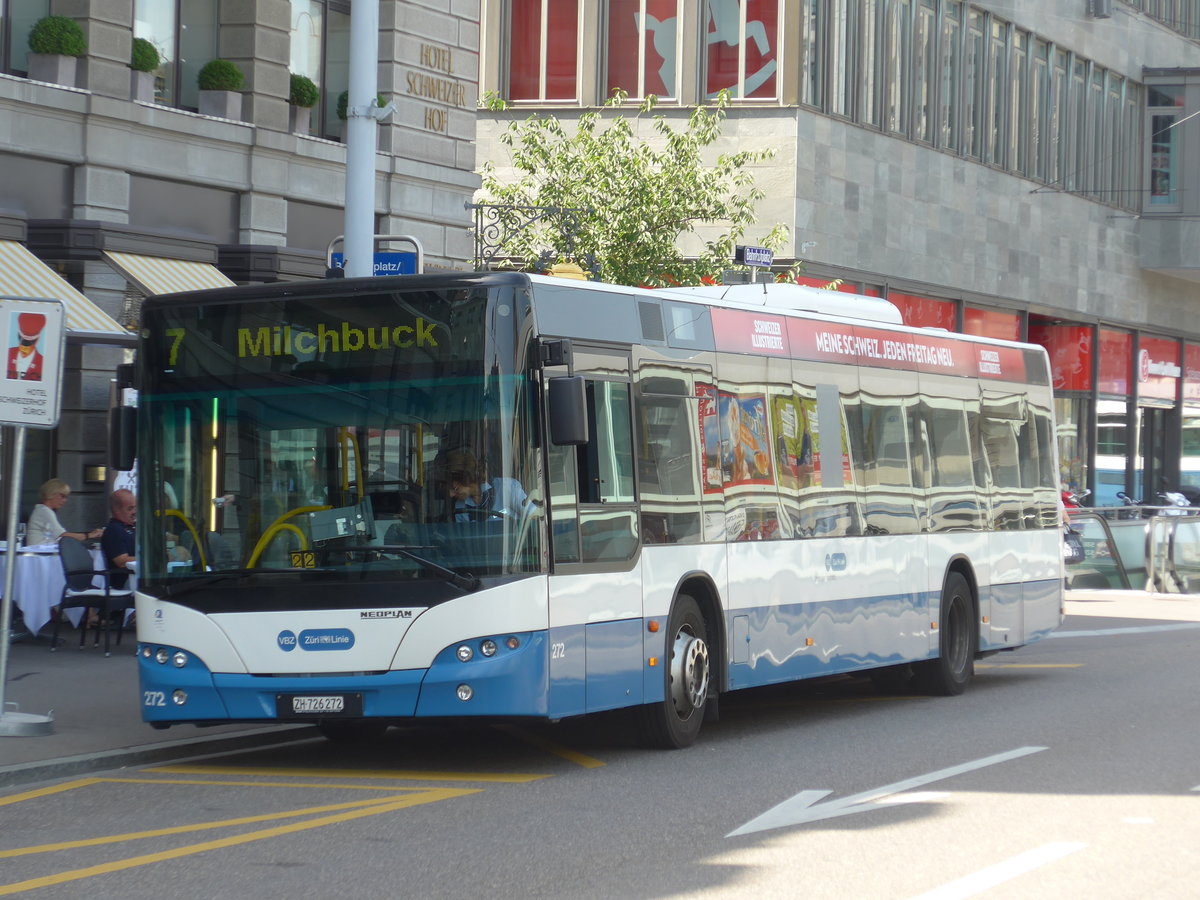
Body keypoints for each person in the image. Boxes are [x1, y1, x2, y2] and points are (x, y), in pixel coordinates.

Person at [439, 449, 531, 522]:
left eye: (455, 489)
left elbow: (531, 515)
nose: (451, 495)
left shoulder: (507, 487)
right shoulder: (460, 507)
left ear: (467, 478)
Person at [26, 479, 103, 546]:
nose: (65, 500)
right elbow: (63, 536)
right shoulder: (44, 511)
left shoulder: (42, 510)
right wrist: (89, 535)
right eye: (62, 496)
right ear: (51, 494)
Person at [100, 488, 137, 589]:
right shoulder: (114, 530)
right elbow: (122, 561)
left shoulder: (130, 527)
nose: (135, 512)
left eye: (135, 507)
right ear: (117, 510)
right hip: (126, 582)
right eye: (130, 509)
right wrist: (149, 560)